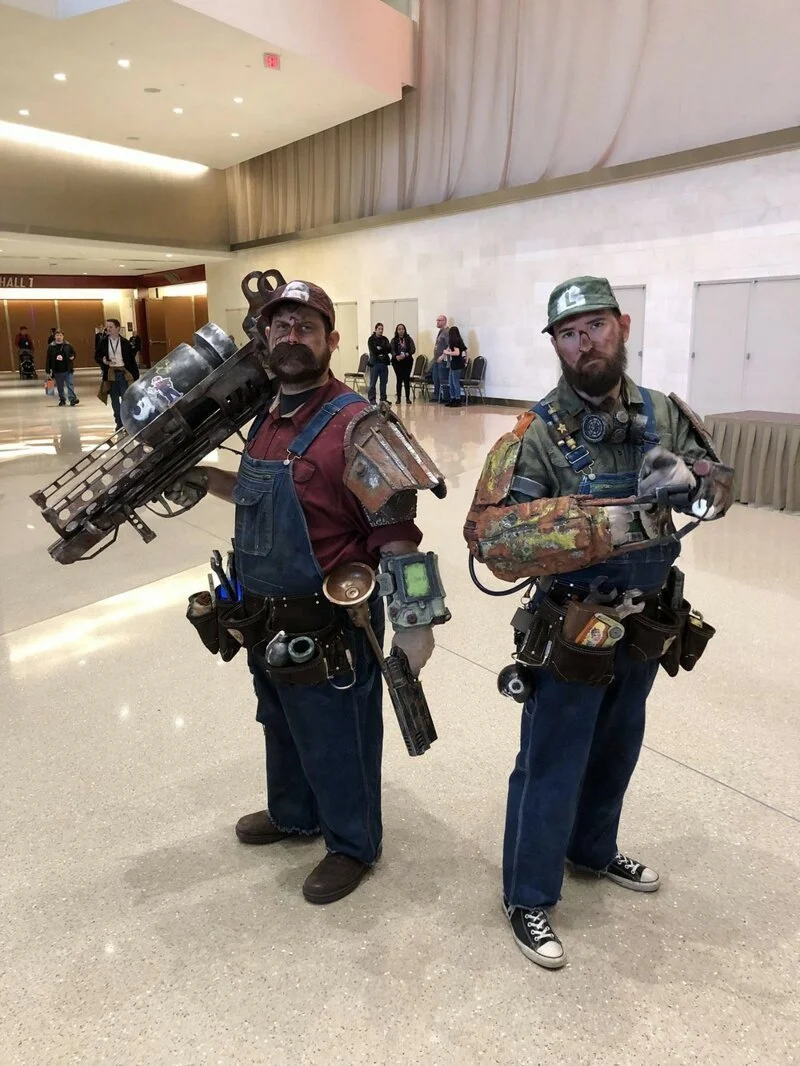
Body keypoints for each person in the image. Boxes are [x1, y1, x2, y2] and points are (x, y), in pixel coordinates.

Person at [464, 276, 734, 970]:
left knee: (617, 746)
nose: (585, 343)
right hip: (572, 630)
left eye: (595, 327)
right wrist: (602, 524)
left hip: (647, 622)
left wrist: (696, 484)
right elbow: (490, 539)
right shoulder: (534, 435)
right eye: (569, 334)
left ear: (623, 325)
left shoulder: (665, 414)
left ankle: (592, 849)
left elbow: (718, 492)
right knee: (552, 761)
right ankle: (527, 895)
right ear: (555, 345)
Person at [166, 280, 447, 905]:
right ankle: (293, 813)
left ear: (332, 340)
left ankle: (353, 844)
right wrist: (206, 477)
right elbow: (255, 490)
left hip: (332, 624)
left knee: (338, 736)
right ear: (266, 337)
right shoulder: (266, 417)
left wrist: (416, 624)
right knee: (279, 722)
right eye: (281, 327)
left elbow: (399, 540)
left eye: (306, 328)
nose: (291, 338)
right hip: (264, 616)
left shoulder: (359, 425)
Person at [95, 319, 139, 430]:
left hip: (123, 373)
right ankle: (118, 421)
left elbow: (131, 360)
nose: (108, 329)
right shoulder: (103, 342)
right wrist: (103, 360)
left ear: (117, 328)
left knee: (125, 398)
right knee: (114, 398)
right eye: (107, 327)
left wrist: (135, 376)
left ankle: (127, 421)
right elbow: (96, 356)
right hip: (111, 374)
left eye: (111, 327)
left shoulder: (125, 343)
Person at [46, 329, 79, 406]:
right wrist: (48, 370)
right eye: (57, 335)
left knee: (70, 384)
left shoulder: (68, 345)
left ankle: (72, 399)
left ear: (63, 336)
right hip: (57, 370)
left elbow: (73, 354)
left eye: (60, 335)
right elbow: (48, 359)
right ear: (54, 336)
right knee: (60, 386)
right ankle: (62, 399)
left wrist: (73, 357)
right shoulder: (51, 347)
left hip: (67, 369)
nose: (59, 337)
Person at [390, 323, 416, 403]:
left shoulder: (409, 339)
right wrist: (396, 356)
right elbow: (392, 350)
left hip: (407, 361)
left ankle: (408, 398)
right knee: (399, 379)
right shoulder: (394, 340)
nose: (401, 331)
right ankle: (398, 398)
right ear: (397, 331)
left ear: (405, 330)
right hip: (397, 362)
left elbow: (413, 349)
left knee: (406, 379)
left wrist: (407, 354)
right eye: (399, 329)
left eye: (402, 329)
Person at [367, 322, 391, 404]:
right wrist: (381, 350)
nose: (381, 330)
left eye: (382, 329)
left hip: (384, 363)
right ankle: (372, 399)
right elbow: (374, 351)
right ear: (375, 329)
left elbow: (388, 349)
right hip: (374, 363)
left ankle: (383, 399)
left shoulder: (385, 339)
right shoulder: (371, 339)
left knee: (384, 382)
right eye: (379, 329)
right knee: (373, 382)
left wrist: (380, 348)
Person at [443, 326, 467, 407]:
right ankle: (453, 399)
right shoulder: (459, 341)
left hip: (456, 364)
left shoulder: (455, 342)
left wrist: (448, 353)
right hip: (455, 364)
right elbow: (466, 350)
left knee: (455, 383)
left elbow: (457, 353)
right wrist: (466, 360)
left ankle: (457, 400)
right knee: (451, 382)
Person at [431, 314, 449, 403]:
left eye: (439, 320)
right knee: (436, 379)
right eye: (437, 320)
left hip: (442, 360)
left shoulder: (447, 332)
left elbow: (450, 346)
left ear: (444, 321)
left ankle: (446, 397)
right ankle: (436, 396)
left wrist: (443, 356)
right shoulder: (440, 332)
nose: (437, 322)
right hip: (436, 360)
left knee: (443, 378)